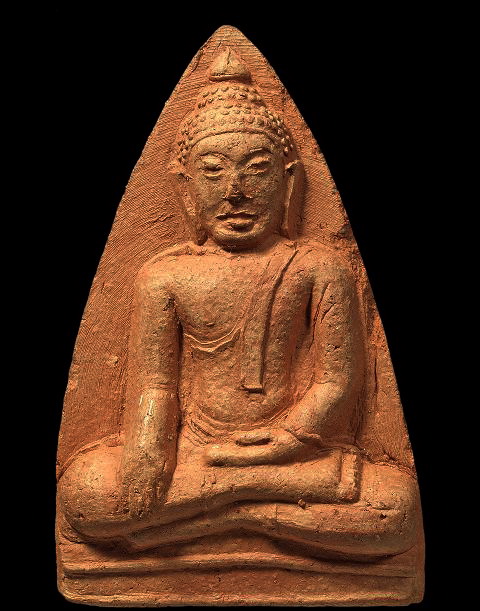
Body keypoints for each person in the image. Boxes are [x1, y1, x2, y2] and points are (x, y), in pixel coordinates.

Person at [58, 49, 418, 560]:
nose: (235, 192)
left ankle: (231, 513)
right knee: (85, 491)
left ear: (289, 182)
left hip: (292, 455)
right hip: (198, 453)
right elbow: (155, 386)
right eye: (212, 171)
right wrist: (147, 457)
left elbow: (338, 380)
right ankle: (252, 510)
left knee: (395, 506)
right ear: (185, 189)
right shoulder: (165, 276)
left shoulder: (319, 266)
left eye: (257, 170)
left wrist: (291, 437)